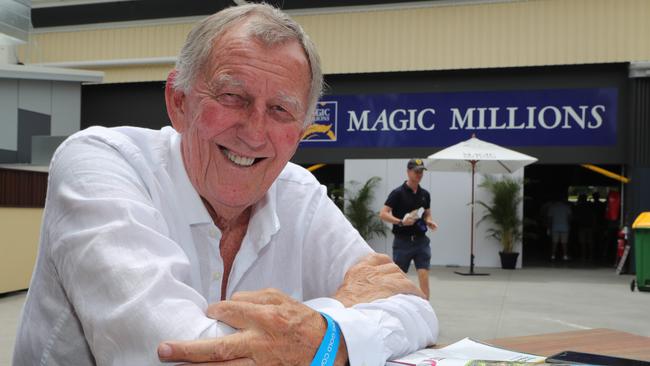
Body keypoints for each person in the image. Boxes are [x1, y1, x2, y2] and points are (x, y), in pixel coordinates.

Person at [13, 4, 438, 366]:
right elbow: (177, 353)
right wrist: (336, 327)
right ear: (179, 103)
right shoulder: (101, 163)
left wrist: (320, 334)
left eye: (280, 110)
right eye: (233, 97)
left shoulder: (299, 193)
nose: (254, 133)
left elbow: (416, 311)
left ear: (302, 130)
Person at [379, 159, 438, 299]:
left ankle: (425, 307)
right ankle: (398, 306)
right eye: (417, 171)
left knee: (424, 275)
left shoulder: (425, 194)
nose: (420, 174)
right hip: (402, 242)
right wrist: (400, 222)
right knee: (399, 279)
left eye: (422, 171)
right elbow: (383, 214)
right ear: (408, 172)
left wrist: (430, 222)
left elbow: (427, 213)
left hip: (421, 241)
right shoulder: (398, 193)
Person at [546, 196, 572, 261]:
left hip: (555, 226)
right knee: (564, 242)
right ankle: (565, 256)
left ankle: (553, 256)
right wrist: (569, 224)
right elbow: (569, 217)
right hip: (565, 226)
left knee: (554, 242)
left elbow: (550, 218)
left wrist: (549, 227)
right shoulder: (566, 207)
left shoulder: (552, 207)